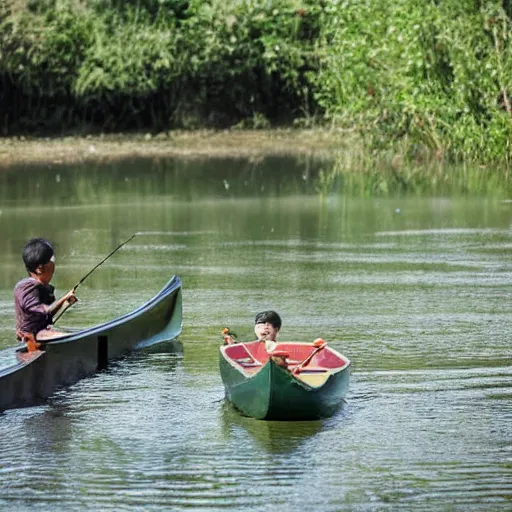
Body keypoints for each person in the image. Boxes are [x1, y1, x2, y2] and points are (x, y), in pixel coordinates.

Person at [14, 238, 77, 346]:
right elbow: (41, 310)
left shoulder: (42, 288)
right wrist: (62, 299)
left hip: (39, 334)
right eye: (51, 259)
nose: (54, 263)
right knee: (69, 337)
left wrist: (65, 303)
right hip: (33, 337)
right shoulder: (26, 287)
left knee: (67, 335)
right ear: (40, 268)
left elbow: (45, 317)